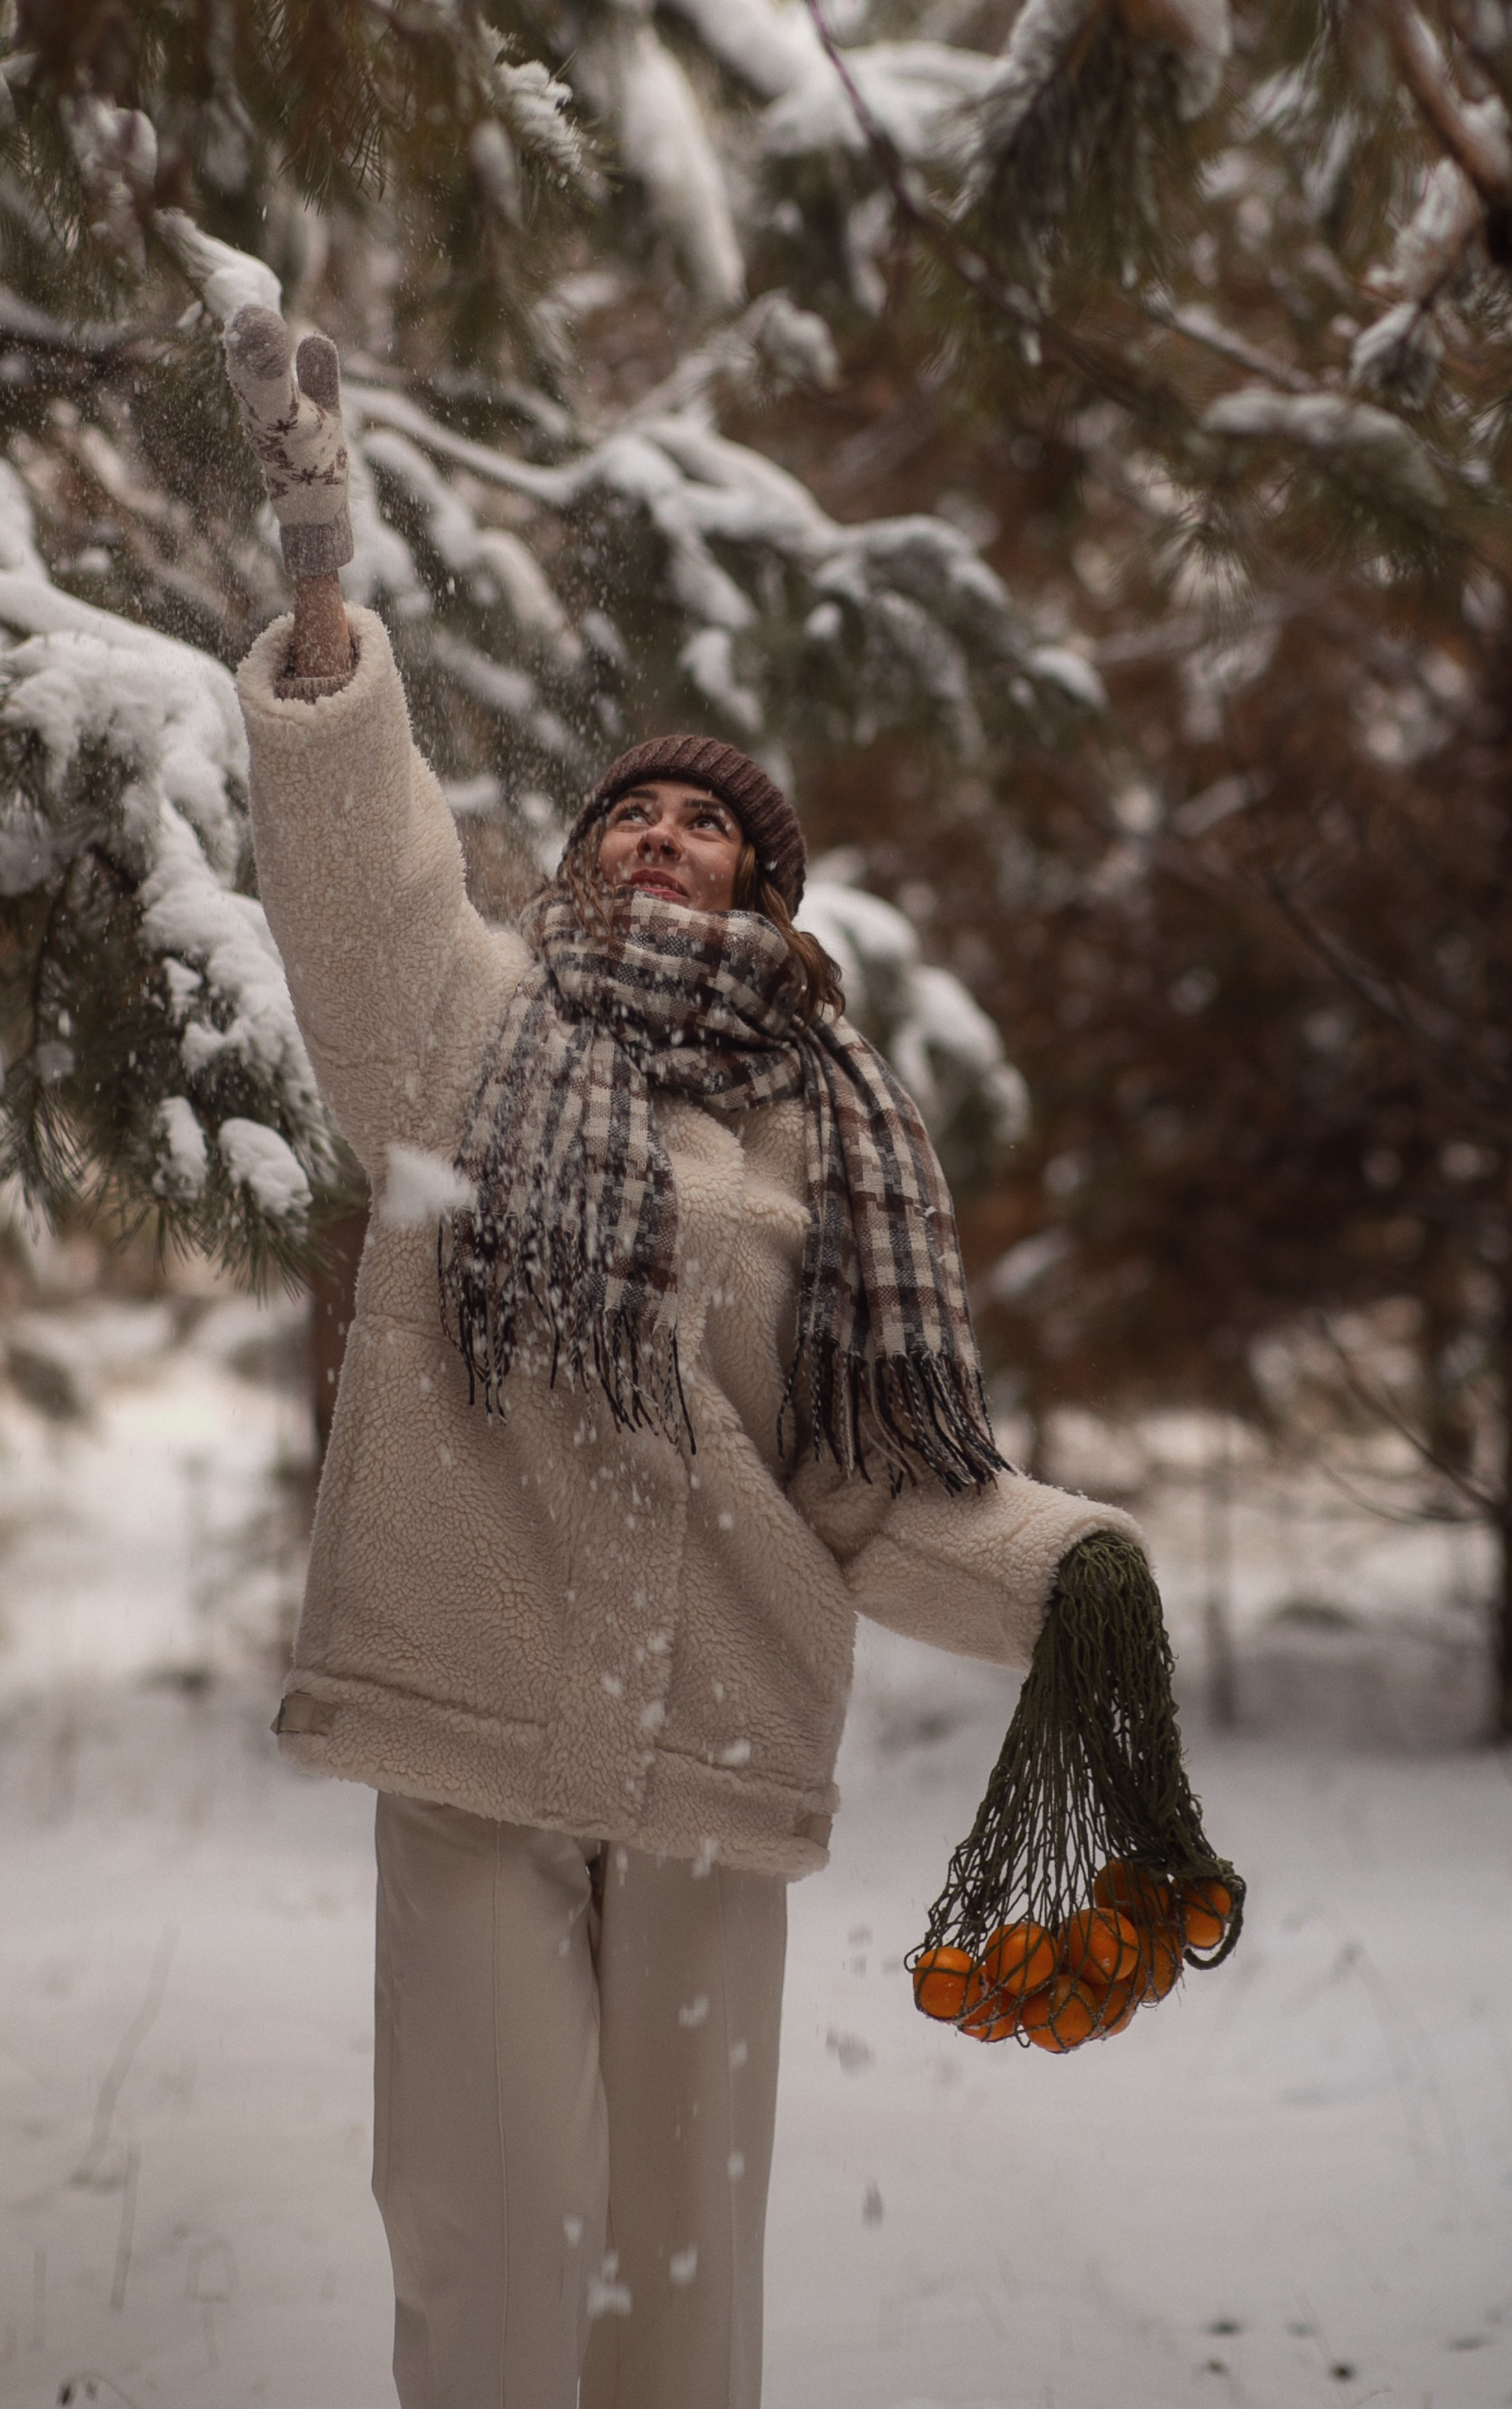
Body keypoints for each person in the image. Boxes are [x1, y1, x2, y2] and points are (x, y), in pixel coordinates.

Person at [227, 307, 1142, 2409]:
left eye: (703, 825)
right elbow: (366, 898)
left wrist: (1071, 1573)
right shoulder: (470, 1034)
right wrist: (319, 591)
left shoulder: (840, 1142)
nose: (658, 835)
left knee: (676, 2280)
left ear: (766, 888)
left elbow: (869, 1481)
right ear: (577, 863)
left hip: (718, 1748)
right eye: (629, 815)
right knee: (488, 2237)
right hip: (473, 1717)